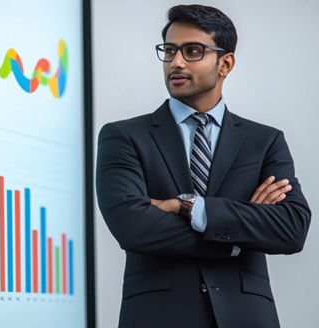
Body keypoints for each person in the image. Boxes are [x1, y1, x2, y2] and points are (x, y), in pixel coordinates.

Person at [96, 4, 311, 328]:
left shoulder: (264, 141)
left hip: (247, 318)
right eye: (169, 51)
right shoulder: (124, 137)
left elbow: (291, 229)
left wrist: (189, 207)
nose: (176, 62)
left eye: (192, 51)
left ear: (225, 63)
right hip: (158, 317)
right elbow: (133, 227)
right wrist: (237, 238)